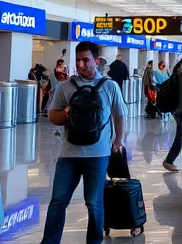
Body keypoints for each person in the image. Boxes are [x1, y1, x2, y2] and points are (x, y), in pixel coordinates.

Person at [40, 42, 126, 244]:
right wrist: (65, 114)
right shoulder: (66, 86)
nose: (81, 64)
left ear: (96, 61)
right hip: (68, 154)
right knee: (58, 201)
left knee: (94, 203)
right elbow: (52, 116)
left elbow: (120, 114)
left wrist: (118, 141)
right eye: (78, 60)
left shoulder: (109, 86)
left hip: (98, 154)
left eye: (86, 60)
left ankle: (94, 241)